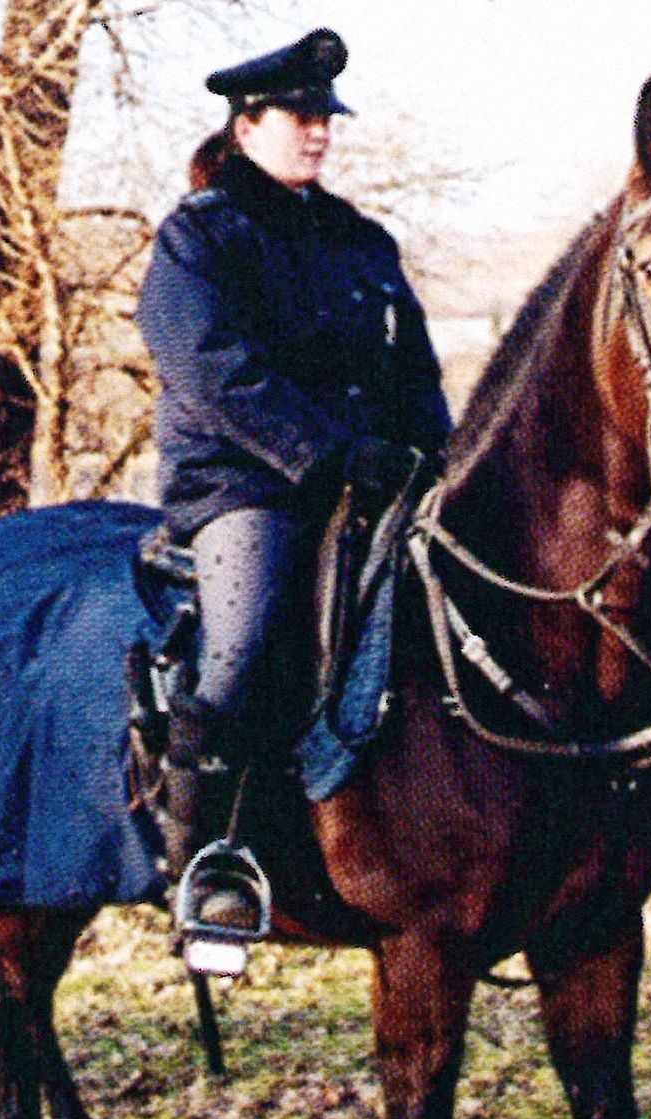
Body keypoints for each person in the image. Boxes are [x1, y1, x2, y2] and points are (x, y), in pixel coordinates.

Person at [137, 28, 452, 928]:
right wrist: (327, 456)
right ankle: (203, 870)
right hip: (246, 488)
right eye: (300, 117)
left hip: (377, 482)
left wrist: (435, 459)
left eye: (325, 119)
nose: (317, 132)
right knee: (242, 648)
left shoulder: (362, 242)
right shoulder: (198, 237)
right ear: (245, 126)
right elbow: (211, 370)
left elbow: (415, 373)